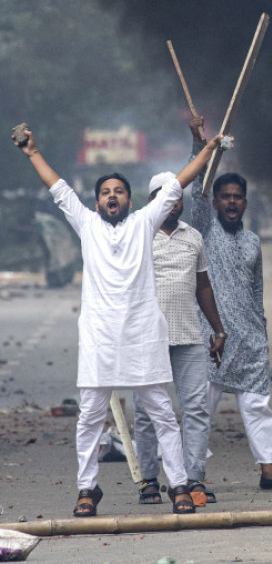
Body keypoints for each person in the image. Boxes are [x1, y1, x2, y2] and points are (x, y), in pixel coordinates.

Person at [12, 124, 223, 517]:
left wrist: (207, 150)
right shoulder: (87, 225)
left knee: (161, 411)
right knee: (90, 416)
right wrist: (32, 153)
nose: (113, 196)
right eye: (106, 192)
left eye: (119, 191)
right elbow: (58, 189)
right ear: (96, 204)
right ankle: (87, 489)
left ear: (130, 200)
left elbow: (178, 183)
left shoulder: (144, 223)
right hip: (99, 338)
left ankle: (177, 484)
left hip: (143, 335)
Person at [189, 117, 272, 494]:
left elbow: (257, 292)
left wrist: (262, 333)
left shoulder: (252, 241)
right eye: (226, 197)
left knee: (258, 407)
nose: (232, 202)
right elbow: (196, 193)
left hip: (250, 339)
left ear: (245, 203)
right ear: (217, 203)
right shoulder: (204, 229)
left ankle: (269, 472)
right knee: (201, 409)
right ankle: (194, 476)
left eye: (238, 197)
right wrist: (200, 145)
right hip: (210, 338)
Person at [133, 171, 228, 507]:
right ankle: (148, 479)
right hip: (147, 338)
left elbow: (203, 287)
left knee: (196, 410)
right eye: (164, 196)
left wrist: (218, 329)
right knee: (146, 413)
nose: (172, 202)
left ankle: (194, 478)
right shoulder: (138, 234)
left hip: (189, 335)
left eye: (177, 197)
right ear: (151, 201)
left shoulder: (194, 238)